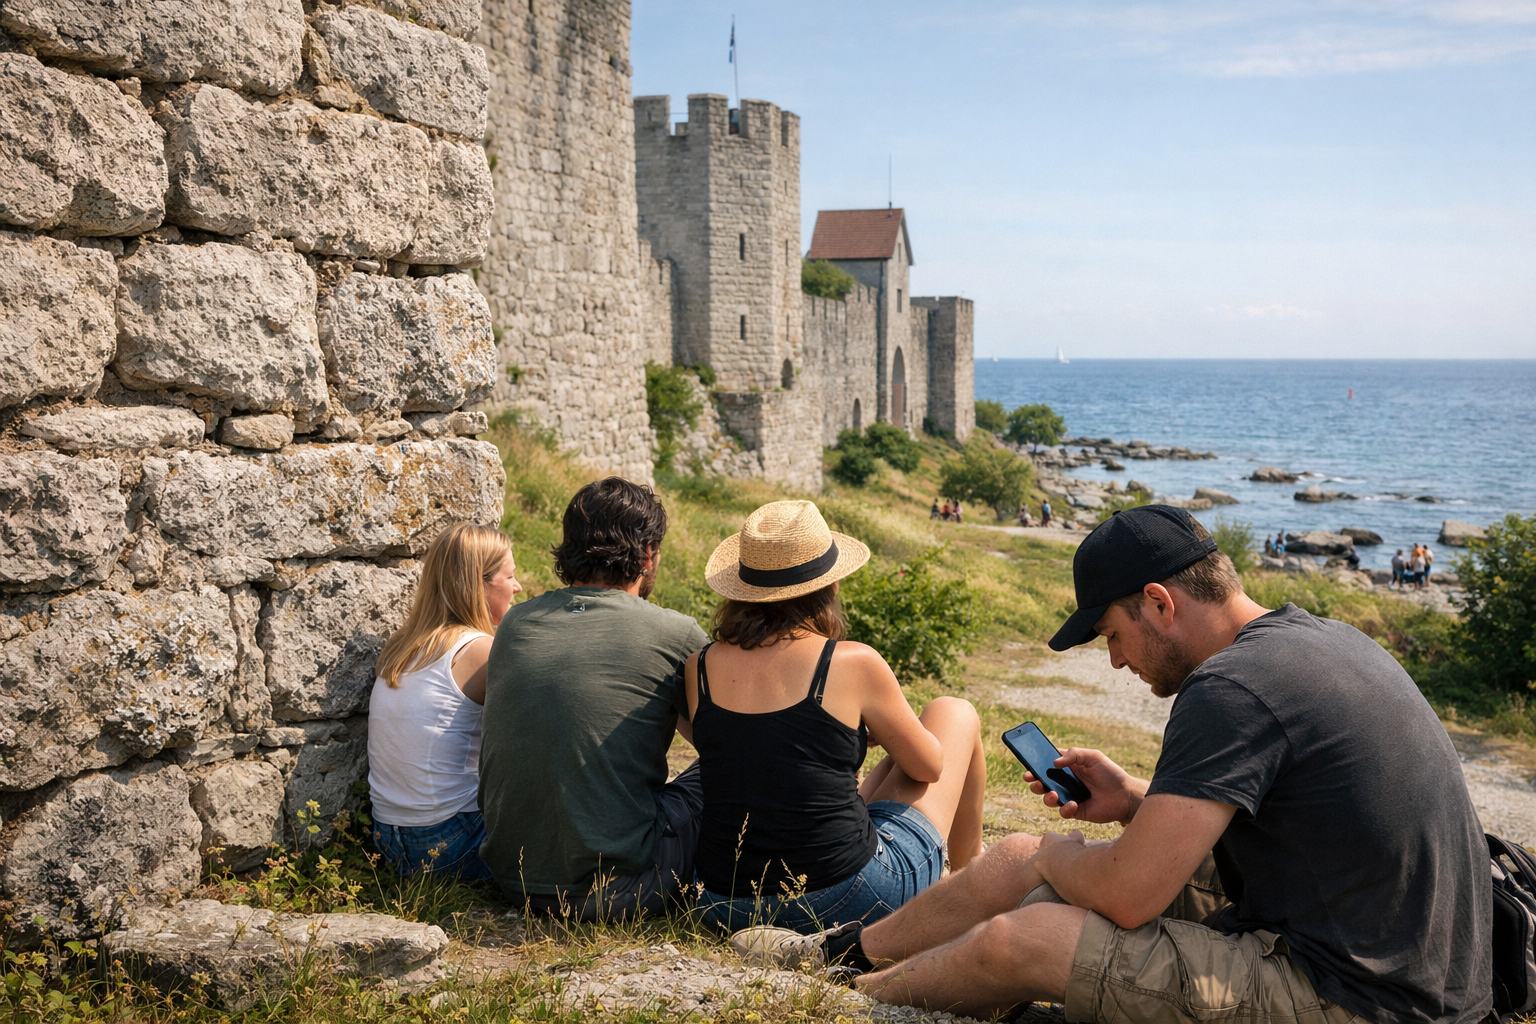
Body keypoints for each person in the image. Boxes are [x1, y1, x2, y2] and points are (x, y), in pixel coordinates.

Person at [734, 505, 1492, 1024]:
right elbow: (1296, 817)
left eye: (1111, 635)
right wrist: (1134, 800)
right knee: (1019, 861)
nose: (1118, 661)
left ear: (1161, 603)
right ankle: (836, 952)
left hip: (1365, 997)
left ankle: (861, 996)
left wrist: (1064, 861)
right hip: (1386, 948)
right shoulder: (1313, 640)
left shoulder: (1231, 688)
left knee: (1025, 936)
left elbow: (1130, 896)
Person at [687, 501, 987, 934]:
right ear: (831, 584)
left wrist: (836, 740)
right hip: (845, 896)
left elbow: (756, 758)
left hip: (721, 900)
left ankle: (967, 877)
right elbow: (929, 767)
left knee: (890, 760)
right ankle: (969, 878)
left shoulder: (699, 667)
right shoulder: (851, 662)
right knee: (953, 712)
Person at [478, 478, 709, 920]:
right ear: (647, 554)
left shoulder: (515, 624)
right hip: (619, 890)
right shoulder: (675, 633)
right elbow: (729, 746)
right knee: (735, 763)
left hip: (515, 881)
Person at [368, 522, 521, 879]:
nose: (517, 587)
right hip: (450, 841)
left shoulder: (402, 645)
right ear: (479, 585)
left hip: (389, 838)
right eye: (509, 576)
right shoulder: (480, 650)